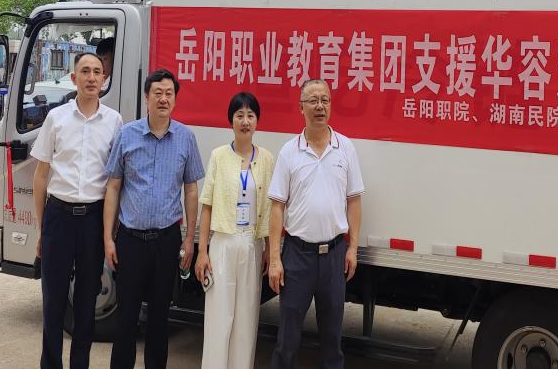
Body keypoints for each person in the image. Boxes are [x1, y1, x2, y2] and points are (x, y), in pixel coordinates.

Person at [103, 69, 204, 369]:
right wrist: (108, 238)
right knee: (126, 317)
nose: (163, 99)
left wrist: (189, 238)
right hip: (130, 240)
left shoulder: (186, 138)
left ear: (175, 99)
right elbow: (113, 187)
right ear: (146, 98)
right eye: (157, 93)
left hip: (166, 241)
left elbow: (191, 190)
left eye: (169, 93)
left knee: (160, 318)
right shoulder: (127, 135)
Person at [31, 52, 123, 369]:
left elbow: (115, 181)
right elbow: (40, 176)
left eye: (97, 72)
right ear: (74, 78)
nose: (91, 78)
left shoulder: (114, 122)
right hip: (58, 216)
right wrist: (42, 229)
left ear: (104, 79)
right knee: (54, 300)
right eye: (85, 71)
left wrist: (109, 231)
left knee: (86, 301)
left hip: (93, 220)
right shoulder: (56, 118)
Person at [268, 79, 365, 369]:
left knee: (332, 340)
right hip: (297, 257)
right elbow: (277, 207)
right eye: (313, 100)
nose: (320, 106)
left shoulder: (345, 148)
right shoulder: (289, 152)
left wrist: (353, 248)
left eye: (325, 100)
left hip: (334, 256)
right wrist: (275, 259)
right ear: (301, 108)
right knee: (287, 339)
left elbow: (354, 201)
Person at [194, 92, 275, 369]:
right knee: (219, 319)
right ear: (231, 120)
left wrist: (269, 249)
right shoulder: (219, 156)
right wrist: (202, 251)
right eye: (239, 115)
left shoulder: (266, 159)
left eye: (250, 115)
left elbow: (270, 207)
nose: (245, 121)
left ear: (257, 121)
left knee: (246, 319)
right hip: (223, 243)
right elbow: (206, 205)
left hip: (252, 243)